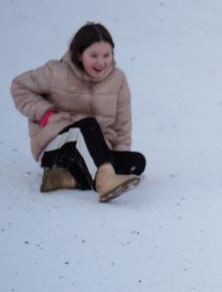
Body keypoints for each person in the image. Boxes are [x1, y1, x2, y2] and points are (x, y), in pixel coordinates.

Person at [10, 22, 145, 202]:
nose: (101, 62)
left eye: (107, 55)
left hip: (92, 150)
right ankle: (105, 181)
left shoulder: (117, 79)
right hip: (57, 147)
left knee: (135, 162)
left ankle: (64, 178)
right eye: (94, 55)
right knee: (88, 125)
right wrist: (46, 114)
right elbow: (19, 86)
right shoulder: (56, 72)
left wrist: (115, 158)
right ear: (79, 54)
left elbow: (122, 125)